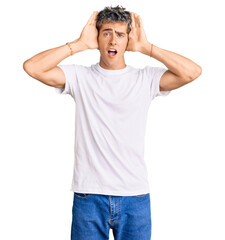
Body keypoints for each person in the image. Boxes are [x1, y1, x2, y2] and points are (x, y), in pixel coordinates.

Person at [23, 5, 202, 240]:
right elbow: (32, 67)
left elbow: (192, 72)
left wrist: (147, 48)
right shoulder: (80, 77)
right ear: (97, 37)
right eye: (106, 33)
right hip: (89, 196)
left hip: (134, 197)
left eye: (120, 34)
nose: (113, 41)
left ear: (128, 40)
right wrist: (78, 44)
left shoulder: (145, 79)